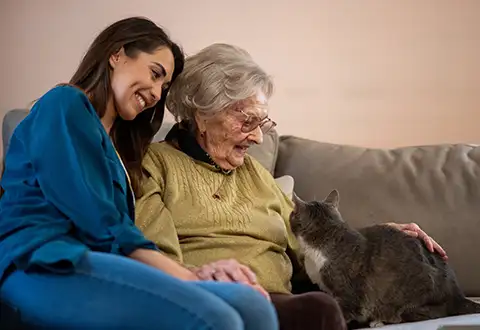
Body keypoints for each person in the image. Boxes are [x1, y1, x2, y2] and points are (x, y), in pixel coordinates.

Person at [135, 43, 448, 330]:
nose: (258, 138)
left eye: (263, 123)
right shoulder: (155, 164)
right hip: (208, 301)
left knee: (320, 308)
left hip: (280, 304)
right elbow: (152, 256)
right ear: (202, 115)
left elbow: (314, 248)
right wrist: (200, 276)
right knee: (319, 310)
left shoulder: (255, 174)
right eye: (248, 122)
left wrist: (384, 237)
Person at [0, 18, 279, 330]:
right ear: (117, 55)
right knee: (218, 317)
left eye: (164, 86)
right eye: (155, 73)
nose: (158, 93)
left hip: (98, 262)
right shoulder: (65, 103)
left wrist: (198, 274)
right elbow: (100, 221)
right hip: (43, 259)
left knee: (251, 305)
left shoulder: (117, 147)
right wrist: (188, 275)